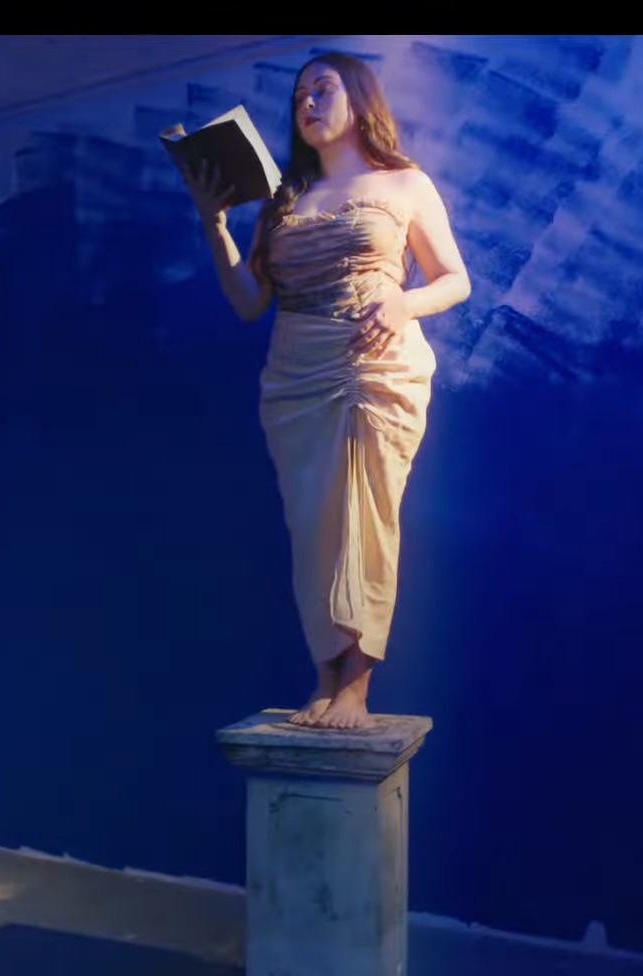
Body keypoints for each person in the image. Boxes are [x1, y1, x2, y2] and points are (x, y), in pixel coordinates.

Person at [183, 53, 471, 730]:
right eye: (299, 98)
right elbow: (250, 301)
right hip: (297, 375)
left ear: (359, 100)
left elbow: (454, 279)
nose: (308, 104)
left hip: (373, 367)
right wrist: (214, 224)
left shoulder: (404, 183)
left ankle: (356, 687)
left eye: (322, 90)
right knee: (314, 529)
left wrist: (403, 304)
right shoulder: (284, 200)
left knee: (366, 519)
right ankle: (324, 676)